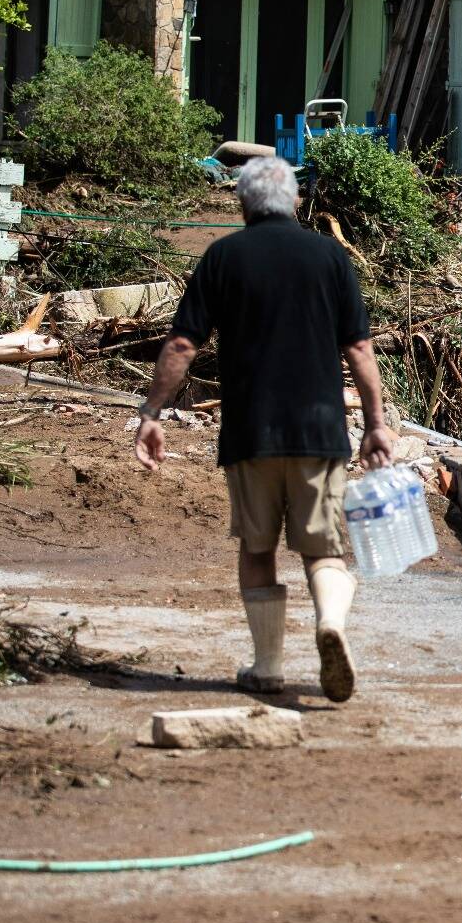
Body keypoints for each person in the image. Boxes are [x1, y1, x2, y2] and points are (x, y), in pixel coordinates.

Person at [132, 156, 394, 703]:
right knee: (322, 549)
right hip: (319, 433)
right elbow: (360, 349)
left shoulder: (223, 256)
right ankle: (331, 625)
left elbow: (183, 345)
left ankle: (268, 666)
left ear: (243, 203)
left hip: (250, 434)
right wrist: (374, 424)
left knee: (257, 549)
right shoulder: (329, 256)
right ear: (296, 200)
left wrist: (152, 414)